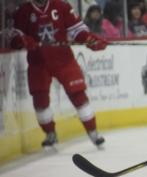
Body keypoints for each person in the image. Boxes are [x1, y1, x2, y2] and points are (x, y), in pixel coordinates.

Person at [10, 0, 108, 149]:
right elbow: (13, 35)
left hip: (64, 60)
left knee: (79, 96)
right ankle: (50, 134)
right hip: (38, 63)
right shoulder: (23, 11)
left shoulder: (61, 6)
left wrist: (89, 39)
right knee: (40, 102)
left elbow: (76, 30)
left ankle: (93, 132)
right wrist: (21, 40)